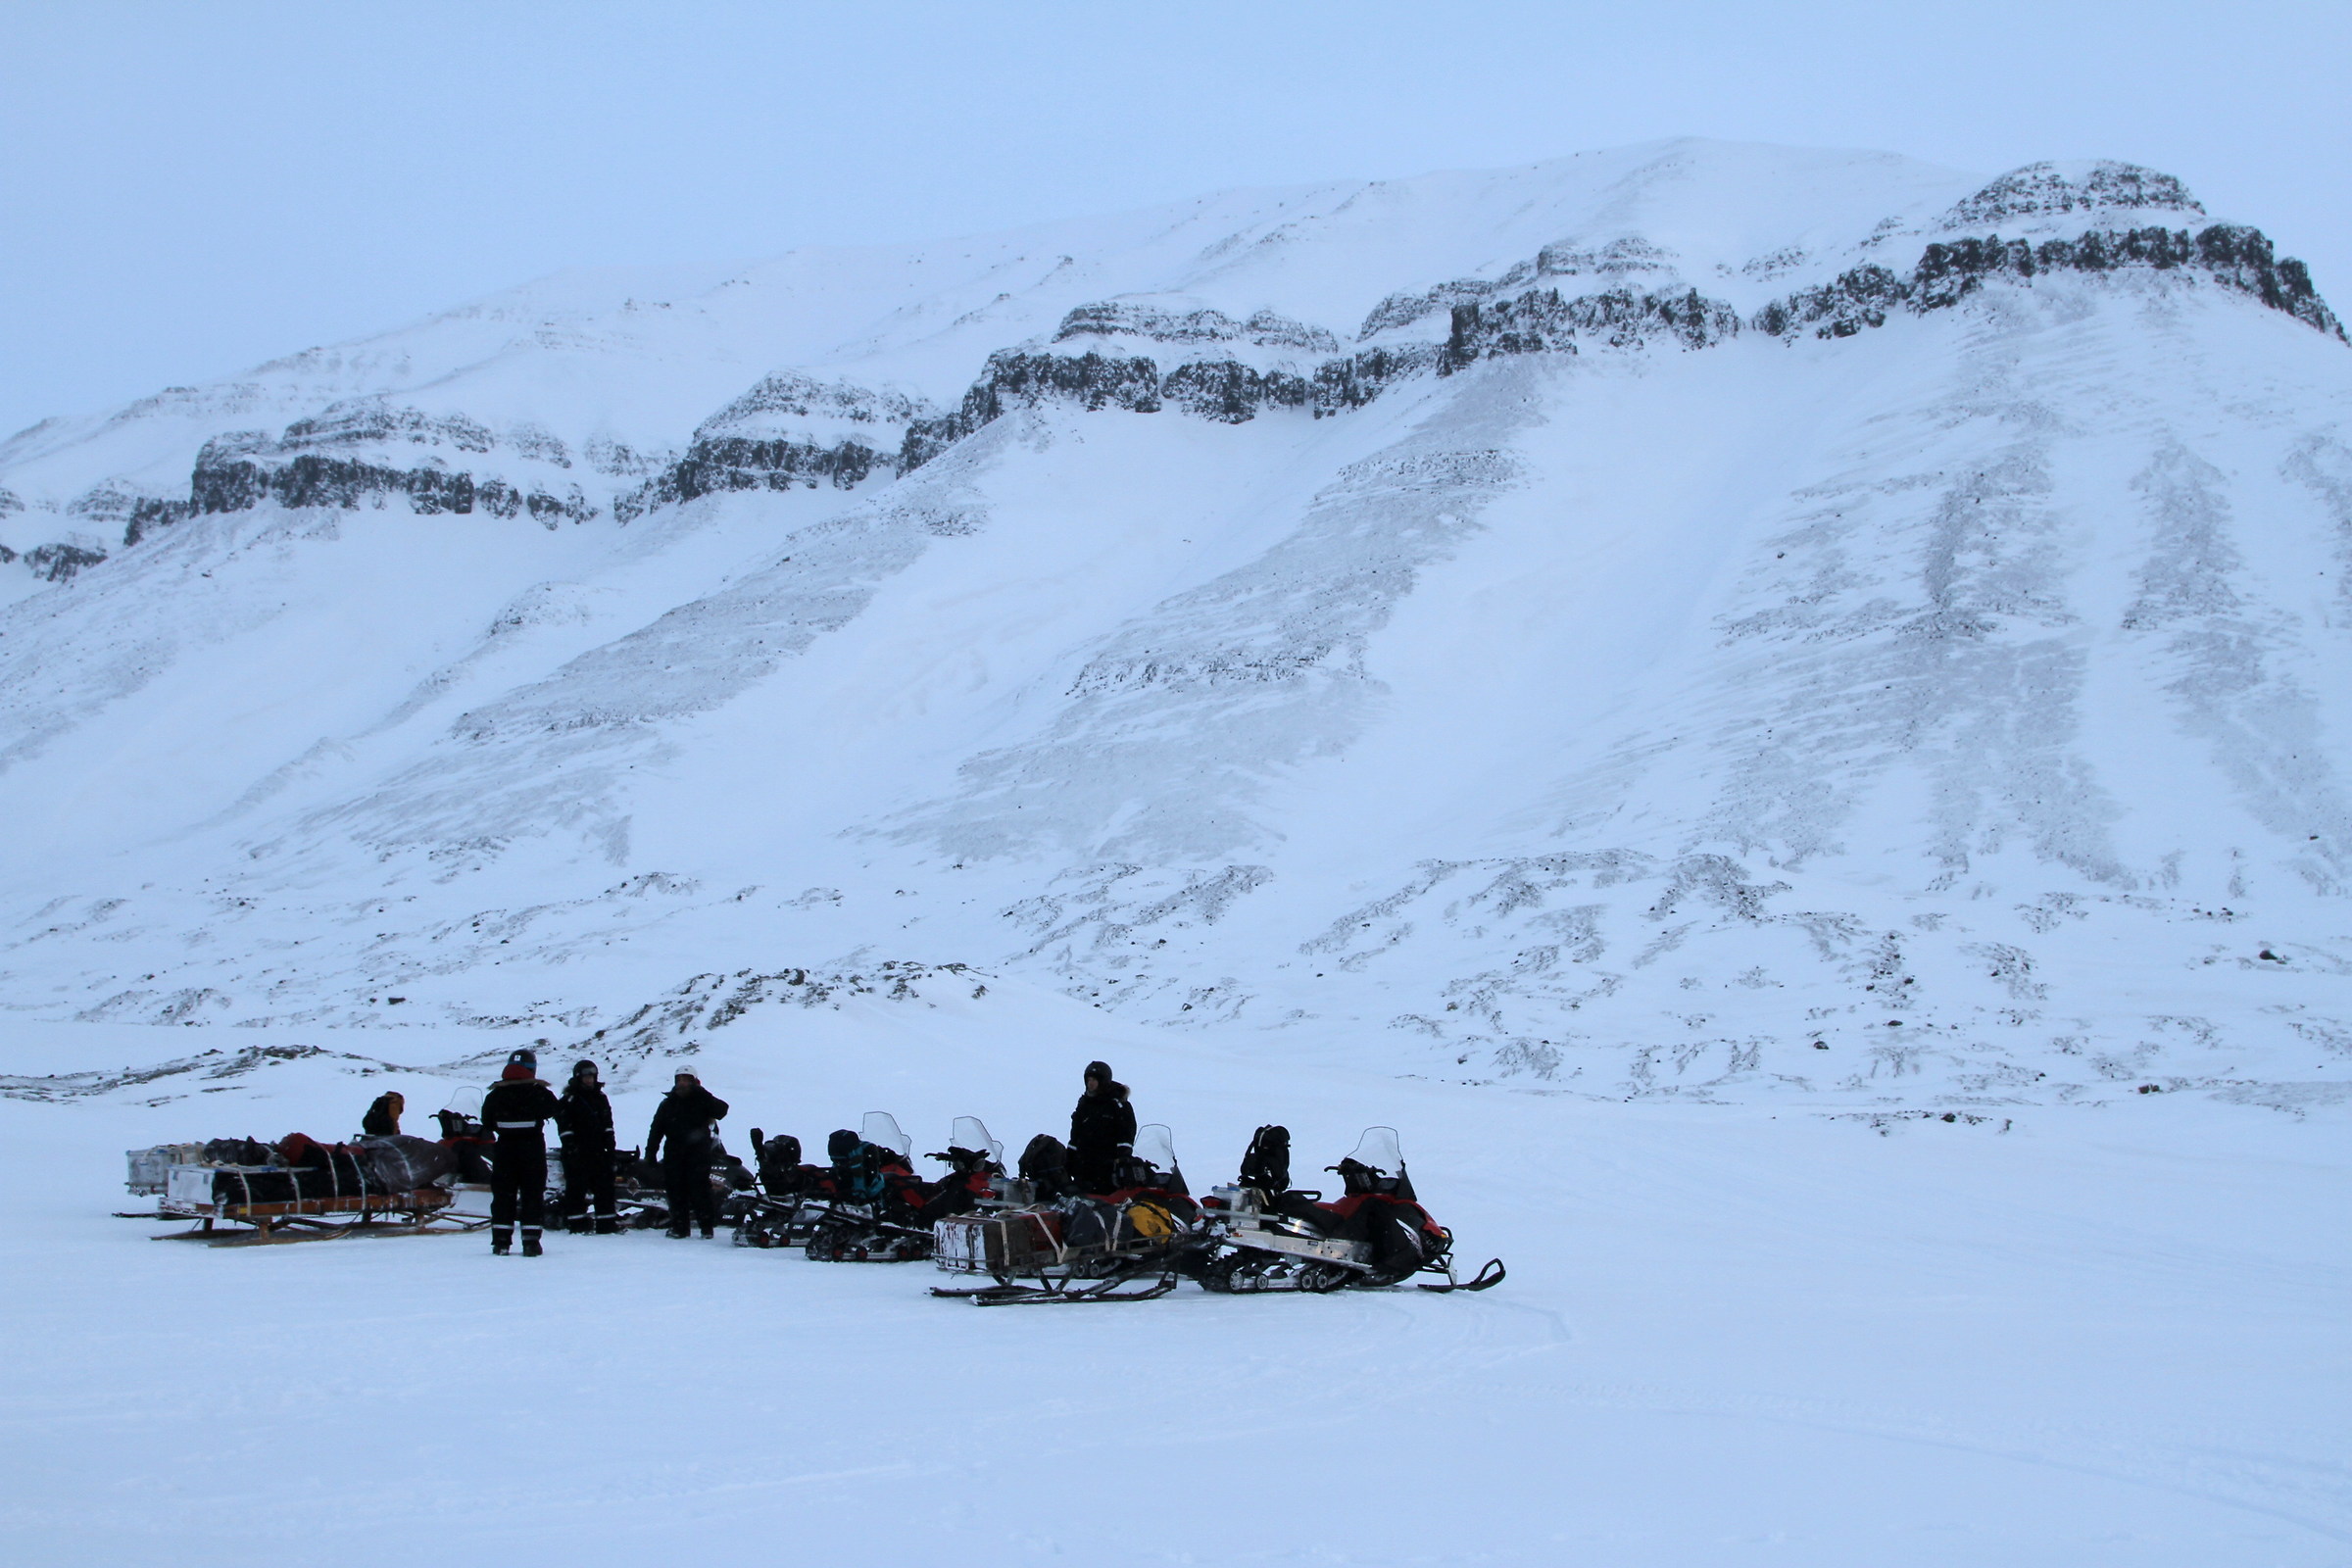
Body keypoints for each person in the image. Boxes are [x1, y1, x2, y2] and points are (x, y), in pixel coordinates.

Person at [478, 1049, 563, 1256]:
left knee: (503, 1196)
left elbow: (487, 1121)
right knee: (532, 1195)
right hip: (531, 1150)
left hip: (504, 1150)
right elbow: (555, 1109)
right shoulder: (538, 1092)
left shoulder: (495, 1094)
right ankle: (531, 1242)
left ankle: (501, 1241)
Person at [644, 1070, 729, 1238]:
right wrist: (650, 1153)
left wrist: (702, 1093)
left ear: (694, 1082)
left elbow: (722, 1110)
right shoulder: (668, 1104)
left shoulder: (702, 1100)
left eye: (686, 1080)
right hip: (674, 1153)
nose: (682, 1083)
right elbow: (656, 1130)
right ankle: (679, 1228)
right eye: (679, 1080)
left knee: (700, 1190)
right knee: (676, 1191)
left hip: (698, 1153)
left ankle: (706, 1228)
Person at [557, 1060, 617, 1235]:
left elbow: (608, 1124)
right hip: (577, 1151)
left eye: (592, 1076)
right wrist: (571, 1148)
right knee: (576, 1189)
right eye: (586, 1077)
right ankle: (577, 1224)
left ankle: (606, 1224)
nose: (589, 1080)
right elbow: (564, 1127)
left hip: (598, 1150)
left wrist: (610, 1147)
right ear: (578, 1077)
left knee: (605, 1188)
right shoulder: (569, 1099)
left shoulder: (600, 1097)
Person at [1066, 1059, 1135, 1196]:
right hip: (1084, 1164)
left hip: (1107, 1167)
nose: (1090, 1083)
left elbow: (1126, 1133)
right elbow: (1076, 1133)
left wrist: (1122, 1158)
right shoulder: (1084, 1103)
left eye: (1094, 1080)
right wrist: (1070, 1157)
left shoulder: (1117, 1104)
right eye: (1089, 1079)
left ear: (1103, 1081)